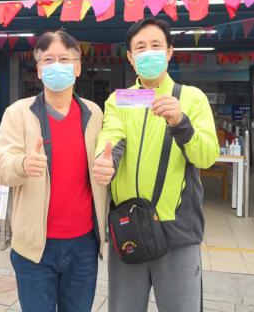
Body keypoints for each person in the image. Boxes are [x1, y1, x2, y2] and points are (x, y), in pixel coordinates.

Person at [92, 18, 219, 312]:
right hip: (128, 229)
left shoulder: (191, 98)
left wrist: (181, 122)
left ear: (169, 51)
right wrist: (104, 160)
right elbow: (112, 137)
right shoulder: (120, 99)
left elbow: (207, 156)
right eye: (140, 47)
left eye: (155, 45)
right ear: (130, 57)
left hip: (177, 231)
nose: (148, 52)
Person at [0, 30, 107, 312]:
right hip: (34, 248)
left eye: (65, 59)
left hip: (84, 246)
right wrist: (22, 164)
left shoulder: (94, 114)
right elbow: (0, 168)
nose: (57, 65)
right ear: (39, 70)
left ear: (77, 68)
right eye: (48, 60)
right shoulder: (18, 113)